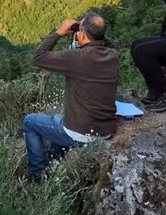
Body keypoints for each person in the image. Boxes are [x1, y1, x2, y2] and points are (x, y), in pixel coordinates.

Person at [23, 12, 118, 181]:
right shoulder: (113, 55)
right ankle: (53, 160)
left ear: (82, 34)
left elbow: (38, 57)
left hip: (81, 132)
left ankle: (37, 176)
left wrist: (59, 32)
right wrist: (91, 31)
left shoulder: (76, 57)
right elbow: (106, 42)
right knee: (60, 121)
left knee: (30, 122)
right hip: (106, 130)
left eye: (80, 30)